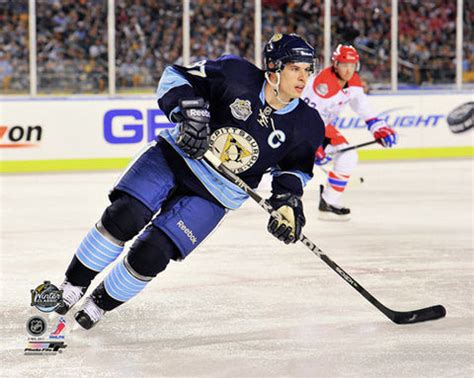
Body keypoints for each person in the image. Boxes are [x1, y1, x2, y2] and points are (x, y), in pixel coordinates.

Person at [55, 33, 325, 329]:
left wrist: (287, 203)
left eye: (307, 70)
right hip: (176, 157)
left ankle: (99, 304)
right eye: (295, 68)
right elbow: (175, 77)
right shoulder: (235, 74)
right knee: (125, 215)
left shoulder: (307, 123)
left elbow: (293, 170)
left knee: (153, 254)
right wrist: (188, 115)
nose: (303, 77)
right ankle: (73, 286)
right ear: (273, 67)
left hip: (217, 194)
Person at [302, 44, 397, 221]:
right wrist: (312, 145)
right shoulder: (322, 85)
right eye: (344, 64)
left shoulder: (354, 82)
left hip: (322, 128)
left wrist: (379, 128)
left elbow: (364, 109)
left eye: (352, 65)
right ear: (335, 64)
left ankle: (328, 201)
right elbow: (303, 117)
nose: (348, 69)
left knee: (348, 156)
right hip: (300, 127)